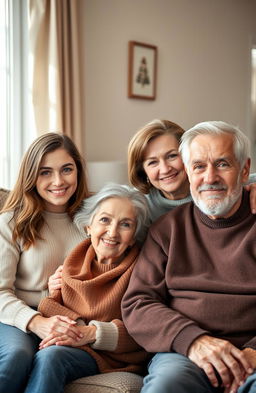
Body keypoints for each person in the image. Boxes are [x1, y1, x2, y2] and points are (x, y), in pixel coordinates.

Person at [122, 121, 256, 393]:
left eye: (222, 164)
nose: (209, 177)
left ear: (244, 170)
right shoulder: (164, 228)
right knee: (166, 386)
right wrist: (193, 341)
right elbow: (137, 302)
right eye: (198, 166)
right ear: (188, 171)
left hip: (252, 352)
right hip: (184, 354)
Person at [22, 183, 150, 393]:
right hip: (75, 346)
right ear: (89, 226)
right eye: (104, 220)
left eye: (125, 224)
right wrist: (76, 327)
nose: (112, 232)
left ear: (134, 235)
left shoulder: (143, 269)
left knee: (51, 356)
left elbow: (144, 330)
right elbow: (50, 304)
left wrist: (89, 333)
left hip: (115, 358)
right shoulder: (76, 259)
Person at [0, 132, 90, 393]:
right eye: (45, 172)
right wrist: (38, 321)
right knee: (17, 354)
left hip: (71, 318)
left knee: (50, 357)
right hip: (15, 317)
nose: (58, 181)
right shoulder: (11, 222)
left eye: (66, 170)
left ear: (78, 171)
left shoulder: (95, 216)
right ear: (31, 176)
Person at [128, 119, 256, 222]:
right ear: (143, 171)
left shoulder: (234, 182)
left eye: (172, 156)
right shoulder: (139, 206)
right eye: (153, 162)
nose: (165, 169)